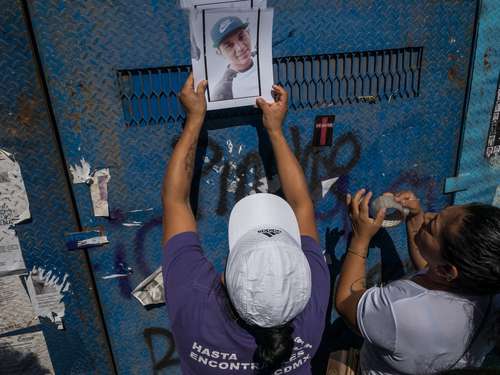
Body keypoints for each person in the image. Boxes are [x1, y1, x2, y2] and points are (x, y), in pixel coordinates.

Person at [161, 74, 330, 374]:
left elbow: (176, 201)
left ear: (225, 278)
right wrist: (275, 132)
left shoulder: (196, 305)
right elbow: (303, 205)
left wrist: (194, 120)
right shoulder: (312, 315)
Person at [335, 189, 500, 374]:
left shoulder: (403, 310)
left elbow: (345, 301)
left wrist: (360, 238)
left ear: (446, 271)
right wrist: (415, 219)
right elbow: (428, 266)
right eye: (438, 214)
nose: (428, 215)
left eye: (432, 225)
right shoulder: (490, 286)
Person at [210, 16, 259, 101]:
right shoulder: (222, 91)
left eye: (241, 37)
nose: (240, 48)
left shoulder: (263, 56)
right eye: (229, 45)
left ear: (248, 33)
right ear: (219, 53)